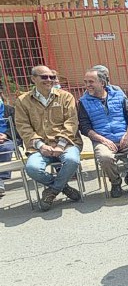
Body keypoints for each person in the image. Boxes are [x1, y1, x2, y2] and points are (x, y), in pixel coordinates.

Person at [14, 65, 82, 210]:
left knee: (72, 160)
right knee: (32, 168)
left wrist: (61, 145)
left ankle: (52, 190)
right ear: (33, 79)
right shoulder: (22, 101)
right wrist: (40, 145)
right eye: (44, 77)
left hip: (66, 144)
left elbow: (71, 122)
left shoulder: (66, 97)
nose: (49, 80)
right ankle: (62, 187)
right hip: (38, 147)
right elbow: (23, 126)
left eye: (51, 77)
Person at [79, 68, 128, 198]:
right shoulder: (83, 102)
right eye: (86, 82)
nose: (87, 85)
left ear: (102, 83)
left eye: (91, 82)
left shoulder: (119, 96)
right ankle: (115, 182)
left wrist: (127, 135)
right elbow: (84, 127)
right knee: (105, 157)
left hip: (124, 136)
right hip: (102, 139)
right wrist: (104, 140)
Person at [0, 97, 15, 198]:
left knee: (5, 148)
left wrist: (5, 135)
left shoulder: (10, 110)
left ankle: (1, 178)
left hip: (8, 138)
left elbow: (18, 126)